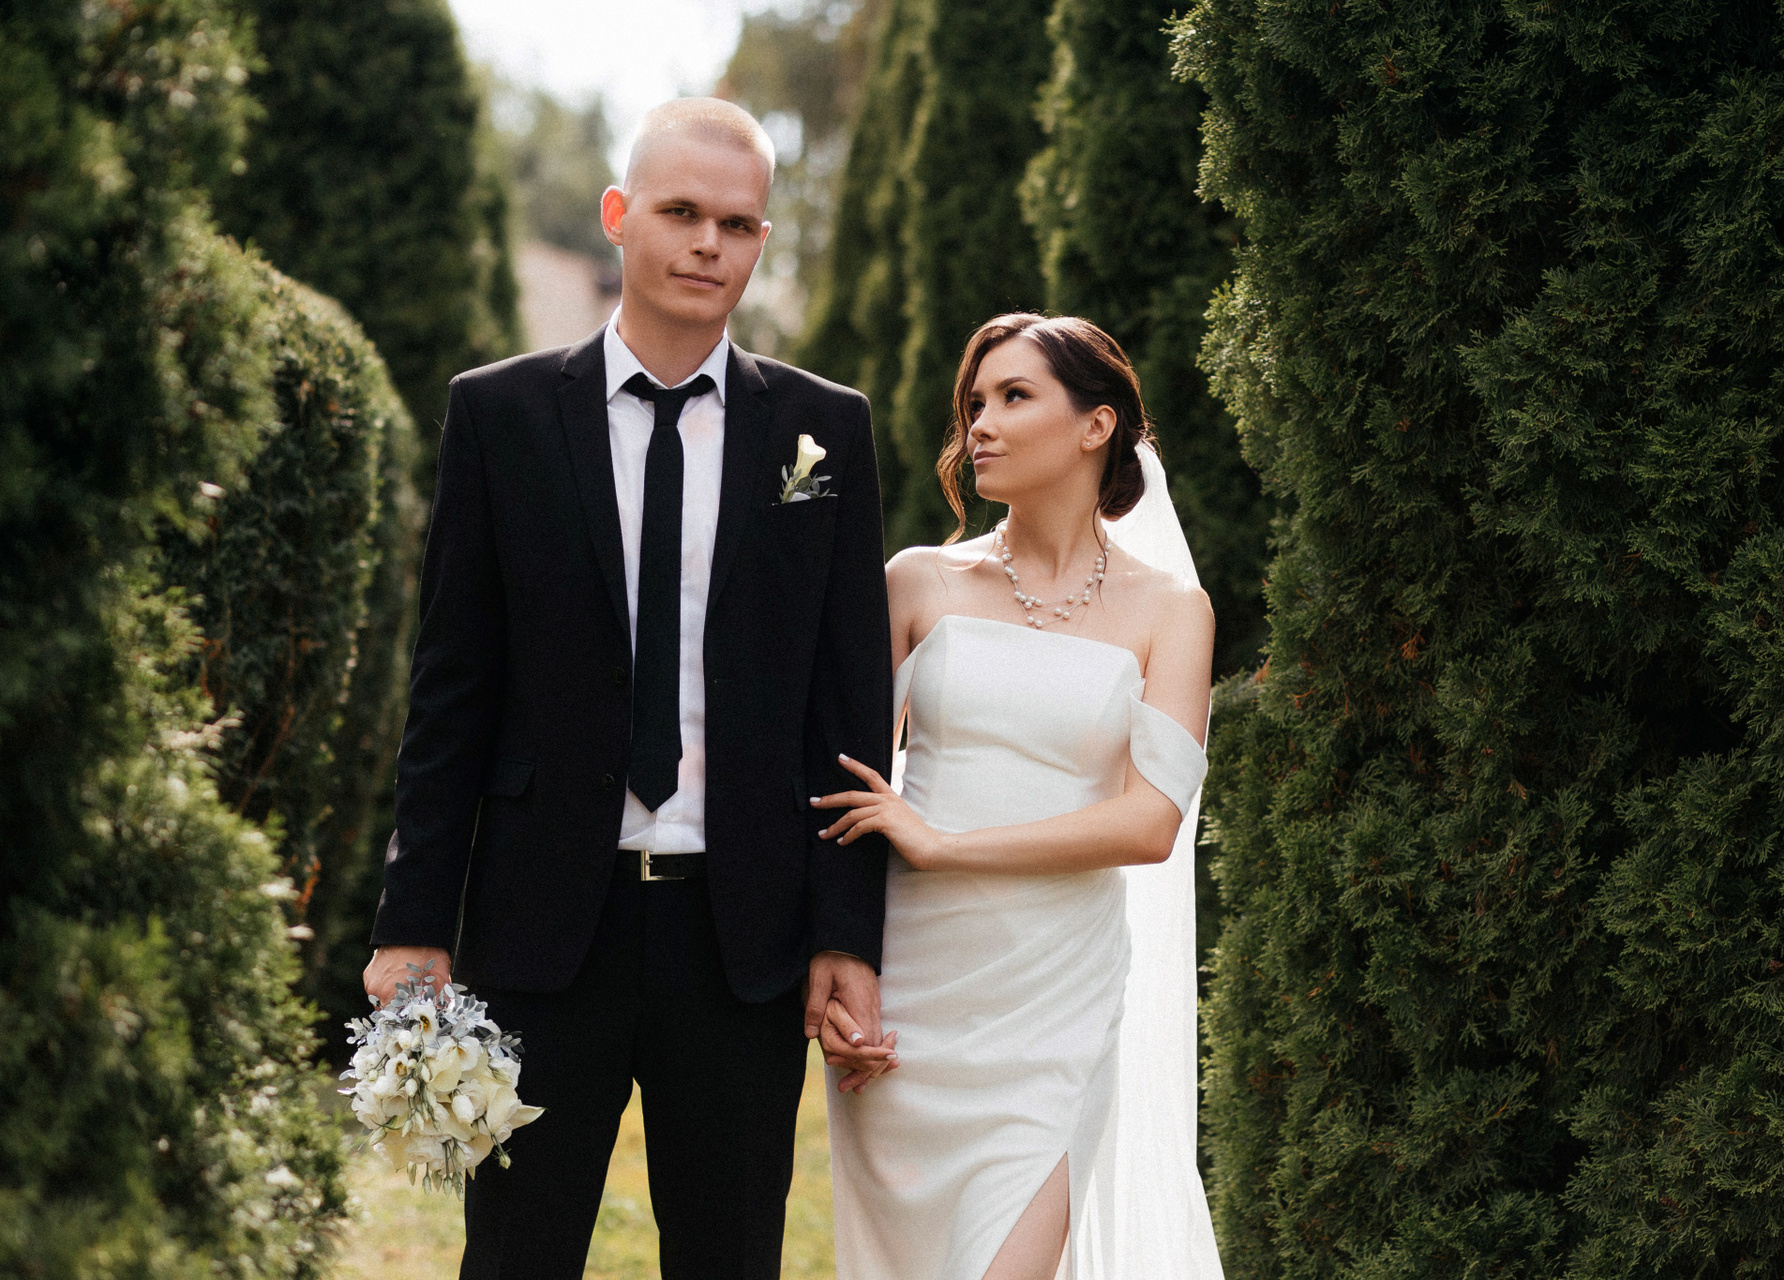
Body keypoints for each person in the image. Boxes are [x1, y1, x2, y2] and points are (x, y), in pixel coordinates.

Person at [360, 97, 897, 1280]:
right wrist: (413, 920)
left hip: (740, 938)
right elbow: (451, 690)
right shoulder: (498, 414)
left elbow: (848, 709)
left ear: (762, 241)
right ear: (618, 215)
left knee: (731, 1259)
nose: (709, 243)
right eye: (681, 211)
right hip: (542, 929)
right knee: (515, 1259)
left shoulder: (825, 431)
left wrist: (847, 930)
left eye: (739, 224)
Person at [813, 314, 1227, 1279]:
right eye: (975, 403)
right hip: (912, 995)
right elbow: (839, 782)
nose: (980, 426)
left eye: (1014, 397)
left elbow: (1151, 823)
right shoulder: (916, 581)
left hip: (1055, 1000)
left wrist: (944, 843)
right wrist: (837, 959)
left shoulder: (1173, 611)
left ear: (1096, 425)